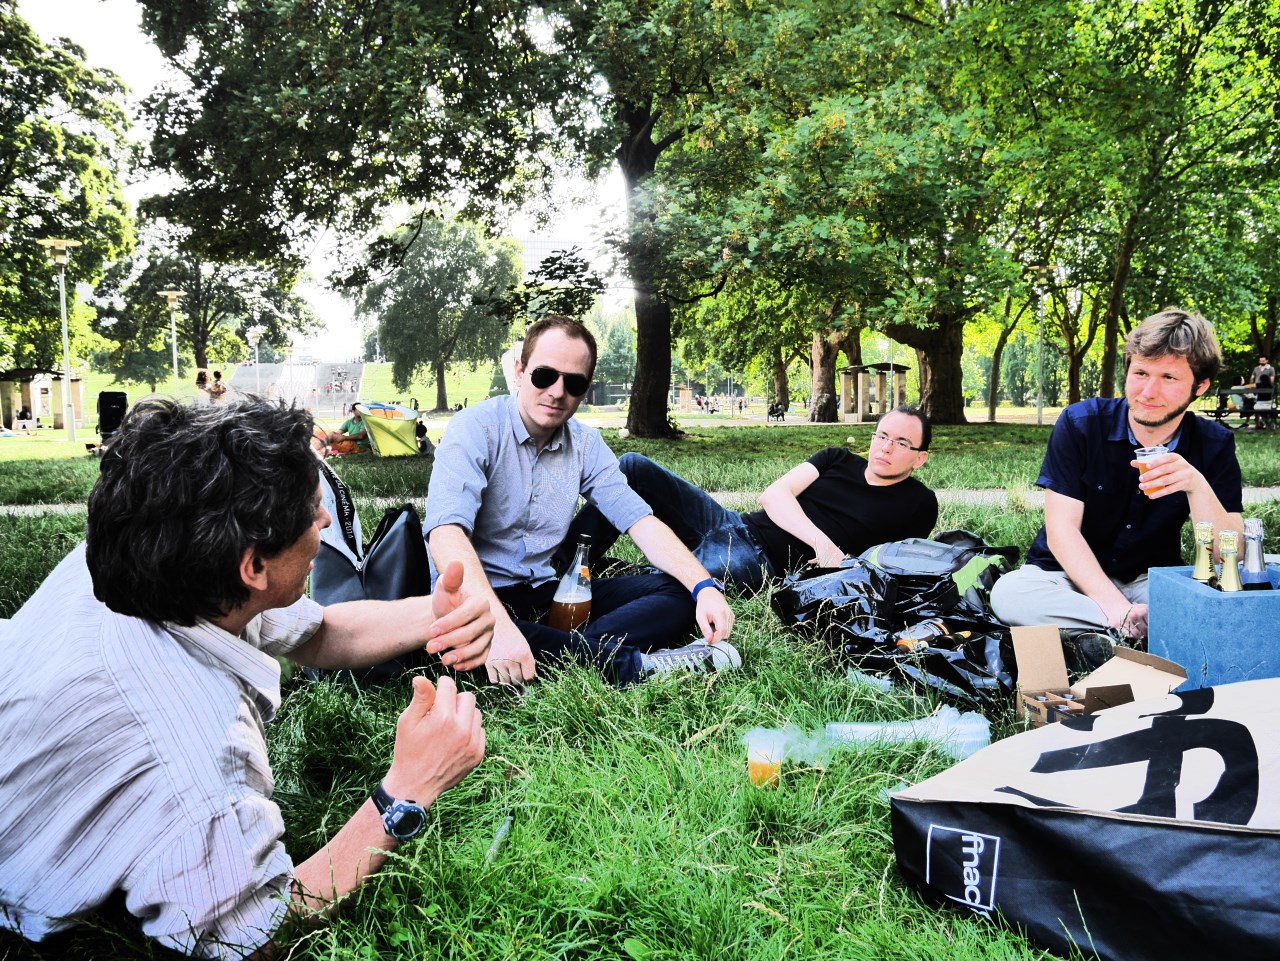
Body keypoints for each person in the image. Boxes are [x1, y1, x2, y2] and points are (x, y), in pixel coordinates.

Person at [0, 399, 492, 959]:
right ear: (254, 567)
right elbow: (258, 934)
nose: (324, 521)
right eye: (313, 509)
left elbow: (318, 632)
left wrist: (438, 614)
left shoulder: (145, 560)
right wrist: (408, 788)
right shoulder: (197, 763)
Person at [425, 316, 738, 690]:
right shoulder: (475, 428)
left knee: (680, 593)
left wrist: (705, 588)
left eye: (573, 383)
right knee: (468, 636)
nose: (557, 392)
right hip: (475, 601)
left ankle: (569, 652)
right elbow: (445, 533)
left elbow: (640, 521)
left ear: (585, 389)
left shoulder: (586, 444)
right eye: (545, 376)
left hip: (544, 593)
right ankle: (631, 665)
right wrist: (500, 626)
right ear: (520, 371)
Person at [990, 308, 1243, 638]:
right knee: (1010, 595)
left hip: (1148, 579)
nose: (1148, 391)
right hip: (1065, 576)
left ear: (1200, 386)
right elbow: (1062, 531)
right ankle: (1138, 628)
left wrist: (1196, 485)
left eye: (1169, 378)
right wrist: (1116, 608)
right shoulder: (1082, 424)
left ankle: (1097, 633)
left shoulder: (1214, 444)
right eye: (1141, 373)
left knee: (1229, 602)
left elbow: (1230, 555)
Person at [564, 406, 938, 594]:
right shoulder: (837, 459)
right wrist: (822, 543)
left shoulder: (918, 503)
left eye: (901, 442)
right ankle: (560, 567)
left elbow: (890, 568)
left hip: (760, 561)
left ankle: (584, 589)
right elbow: (773, 495)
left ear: (920, 458)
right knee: (633, 467)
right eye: (881, 435)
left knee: (672, 583)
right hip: (731, 523)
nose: (885, 447)